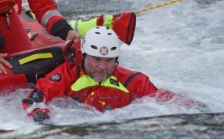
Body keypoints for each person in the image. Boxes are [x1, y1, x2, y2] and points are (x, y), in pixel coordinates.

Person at [22, 26, 199, 122]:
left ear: (116, 60)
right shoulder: (65, 75)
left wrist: (196, 108)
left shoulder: (133, 80)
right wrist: (44, 120)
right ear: (83, 55)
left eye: (108, 61)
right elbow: (33, 100)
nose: (102, 67)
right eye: (96, 59)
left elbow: (164, 98)